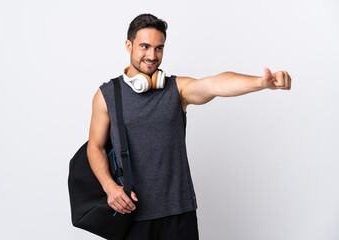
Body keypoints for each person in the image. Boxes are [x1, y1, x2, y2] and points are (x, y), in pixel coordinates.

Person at [87, 13, 291, 240]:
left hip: (179, 213)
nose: (152, 56)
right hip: (131, 214)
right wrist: (109, 187)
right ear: (129, 45)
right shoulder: (107, 95)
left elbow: (215, 83)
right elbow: (95, 146)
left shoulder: (177, 89)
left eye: (159, 48)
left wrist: (260, 83)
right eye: (145, 46)